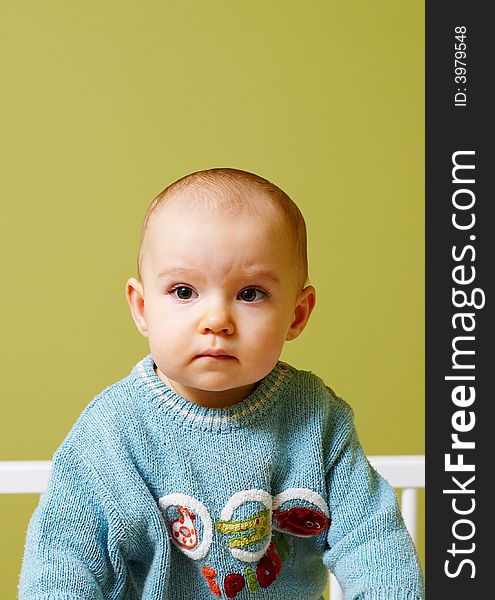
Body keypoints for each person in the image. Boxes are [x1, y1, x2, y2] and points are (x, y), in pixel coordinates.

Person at [19, 168, 424, 599]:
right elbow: (62, 564)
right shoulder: (110, 433)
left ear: (297, 314)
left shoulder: (316, 418)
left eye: (250, 294)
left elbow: (374, 541)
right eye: (183, 291)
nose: (216, 320)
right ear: (141, 307)